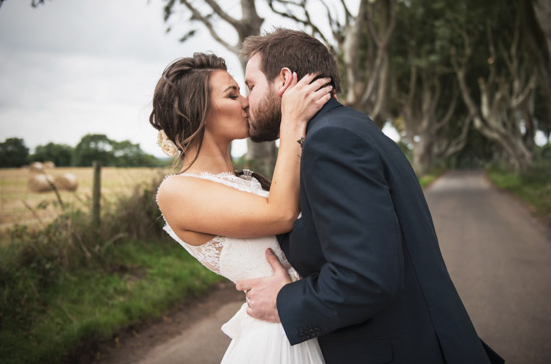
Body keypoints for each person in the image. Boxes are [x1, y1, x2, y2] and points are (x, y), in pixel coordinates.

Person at [235, 29, 505, 364]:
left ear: (284, 80)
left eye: (250, 85)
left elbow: (365, 277)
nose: (246, 100)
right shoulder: (351, 127)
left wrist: (284, 301)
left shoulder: (330, 142)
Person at [150, 53, 332, 363]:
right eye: (233, 94)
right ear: (200, 111)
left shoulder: (247, 181)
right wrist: (292, 121)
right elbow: (281, 215)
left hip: (306, 321)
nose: (247, 101)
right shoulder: (177, 191)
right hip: (276, 344)